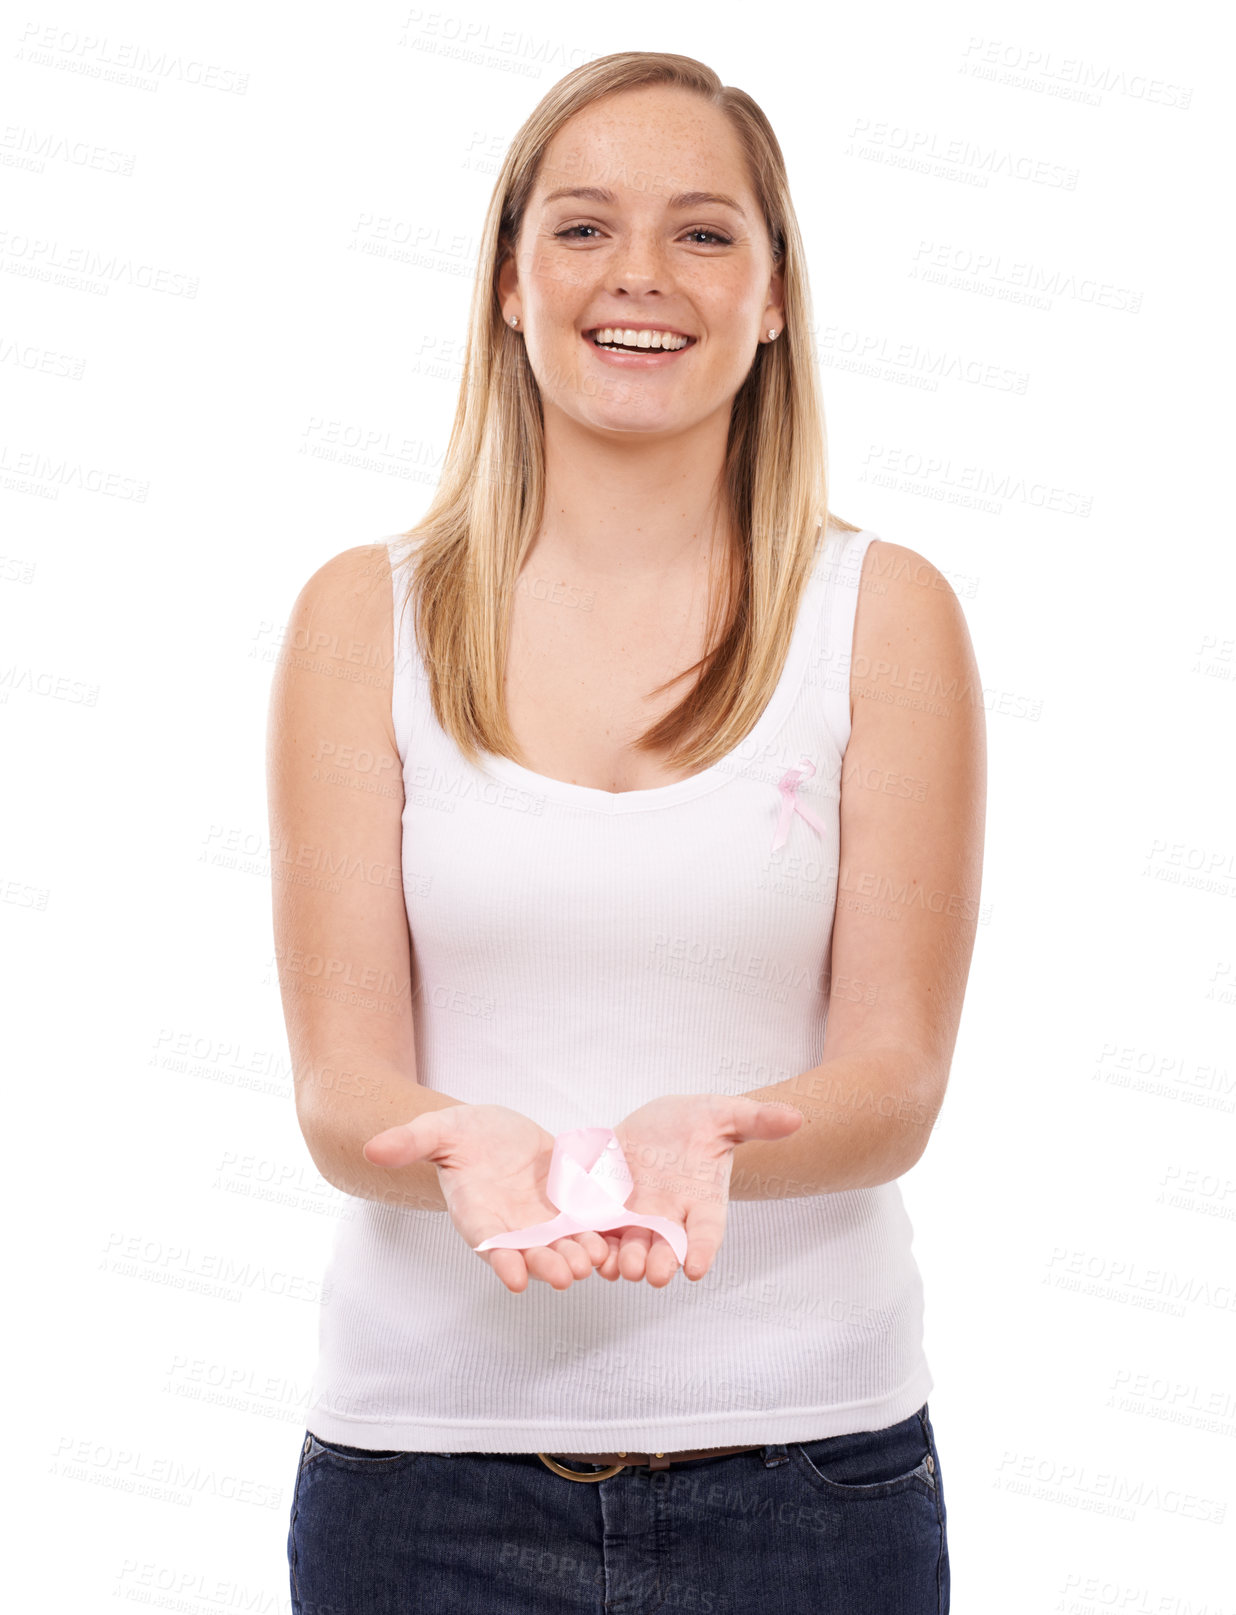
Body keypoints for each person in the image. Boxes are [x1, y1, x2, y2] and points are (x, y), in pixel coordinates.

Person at [267, 49, 984, 1615]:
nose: (640, 275)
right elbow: (337, 1086)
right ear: (507, 283)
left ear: (774, 295)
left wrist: (719, 1134)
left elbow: (898, 1077)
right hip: (421, 1496)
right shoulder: (360, 619)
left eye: (704, 232)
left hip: (814, 1490)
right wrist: (459, 1144)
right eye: (583, 227)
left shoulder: (885, 616)